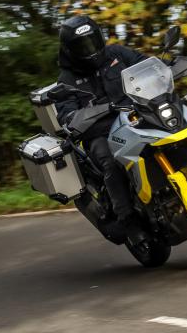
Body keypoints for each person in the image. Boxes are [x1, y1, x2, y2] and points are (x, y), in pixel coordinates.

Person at [55, 15, 147, 243]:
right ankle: (128, 219)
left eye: (92, 41)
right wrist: (77, 116)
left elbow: (145, 64)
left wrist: (168, 66)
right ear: (69, 50)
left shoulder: (117, 54)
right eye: (82, 46)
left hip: (136, 118)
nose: (90, 49)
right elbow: (66, 114)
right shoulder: (67, 79)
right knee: (111, 161)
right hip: (100, 133)